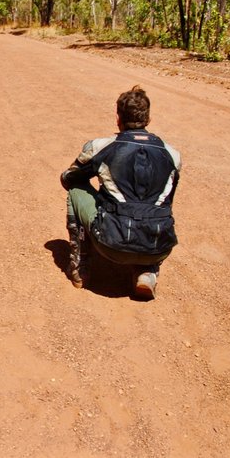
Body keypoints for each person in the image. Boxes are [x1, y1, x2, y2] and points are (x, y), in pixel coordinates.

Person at [60, 86, 181, 299]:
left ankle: (80, 267)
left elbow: (70, 178)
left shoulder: (102, 147)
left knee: (76, 190)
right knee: (156, 205)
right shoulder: (172, 154)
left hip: (112, 244)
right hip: (159, 246)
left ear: (118, 118)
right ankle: (147, 271)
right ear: (148, 119)